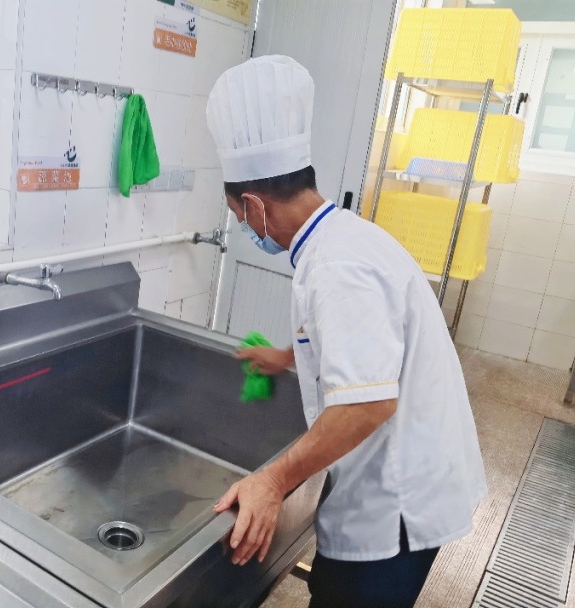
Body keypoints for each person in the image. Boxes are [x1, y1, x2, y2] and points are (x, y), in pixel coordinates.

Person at [205, 55, 487, 608]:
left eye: (240, 216)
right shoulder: (342, 238)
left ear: (256, 206)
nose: (245, 229)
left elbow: (368, 404)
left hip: (396, 505)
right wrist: (288, 357)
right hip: (410, 477)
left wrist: (272, 481)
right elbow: (365, 342)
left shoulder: (335, 268)